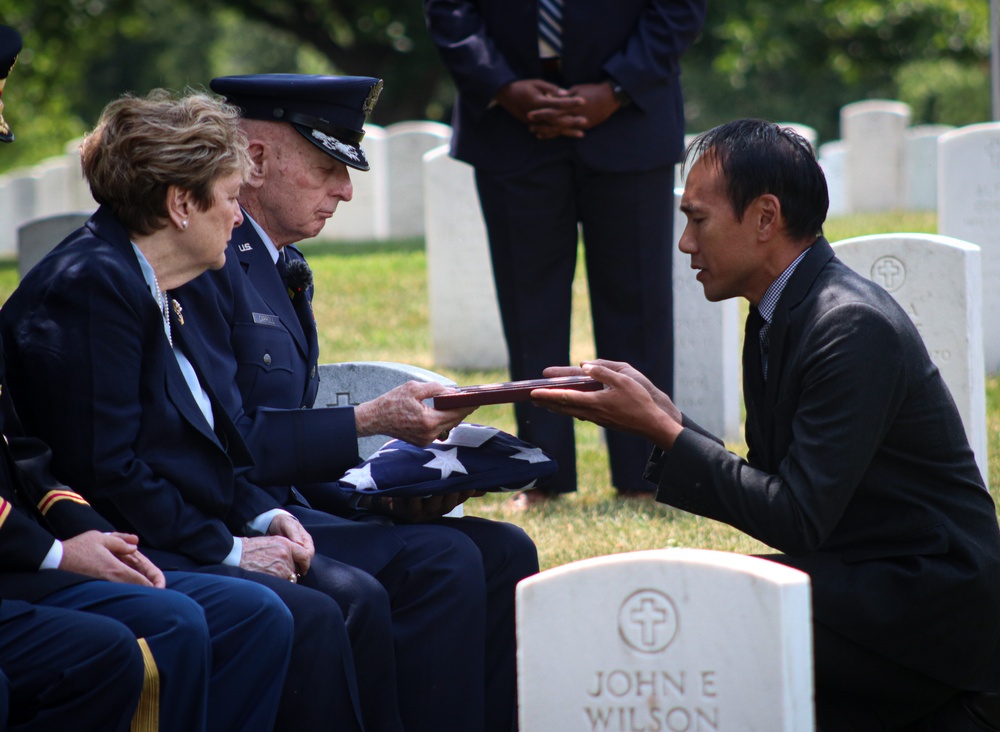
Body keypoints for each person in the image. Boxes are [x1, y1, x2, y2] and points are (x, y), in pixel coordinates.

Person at [531, 119, 1000, 730]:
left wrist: (664, 432)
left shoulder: (848, 325)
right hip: (865, 582)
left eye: (697, 220)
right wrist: (666, 419)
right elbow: (779, 485)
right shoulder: (780, 311)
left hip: (924, 609)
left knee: (701, 618)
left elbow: (797, 516)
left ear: (764, 217)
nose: (684, 243)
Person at [176, 73, 540, 732]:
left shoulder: (278, 265)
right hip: (239, 517)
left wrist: (378, 495)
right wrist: (370, 421)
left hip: (297, 503)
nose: (345, 189)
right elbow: (226, 442)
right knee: (444, 562)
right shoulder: (209, 261)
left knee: (505, 550)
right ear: (254, 161)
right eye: (325, 168)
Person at [0, 89, 367, 732]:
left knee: (284, 607)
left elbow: (196, 442)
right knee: (263, 609)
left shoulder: (149, 280)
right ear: (179, 203)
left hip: (147, 524)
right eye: (229, 197)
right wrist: (231, 549)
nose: (235, 216)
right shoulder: (96, 283)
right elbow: (108, 466)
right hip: (113, 532)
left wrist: (260, 512)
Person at [423, 0, 707, 505]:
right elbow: (450, 10)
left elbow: (678, 9)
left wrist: (617, 88)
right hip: (509, 124)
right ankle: (541, 475)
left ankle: (643, 476)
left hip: (630, 118)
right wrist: (503, 86)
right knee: (530, 309)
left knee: (638, 306)